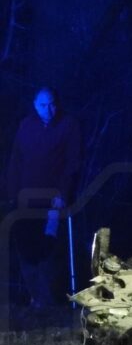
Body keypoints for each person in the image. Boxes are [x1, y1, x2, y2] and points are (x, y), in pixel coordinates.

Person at [4, 87, 82, 307]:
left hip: (53, 199)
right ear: (34, 105)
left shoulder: (68, 125)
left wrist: (63, 193)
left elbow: (72, 162)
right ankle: (37, 298)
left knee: (49, 246)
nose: (48, 109)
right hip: (25, 197)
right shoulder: (26, 126)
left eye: (51, 104)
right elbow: (15, 161)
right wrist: (12, 194)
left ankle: (49, 300)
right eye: (42, 105)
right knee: (26, 248)